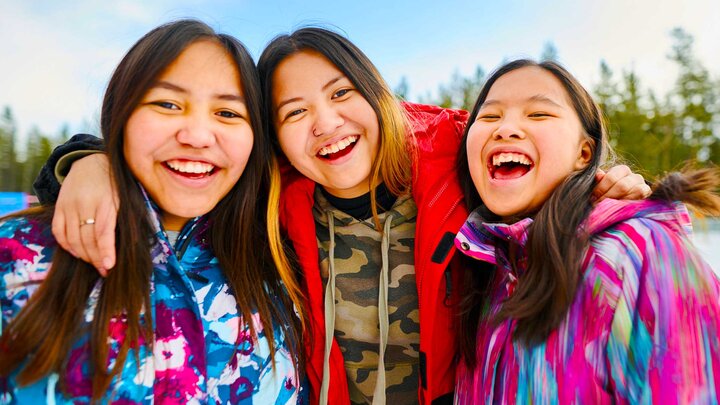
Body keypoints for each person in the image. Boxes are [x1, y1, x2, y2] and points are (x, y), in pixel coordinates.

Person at [34, 28, 650, 405]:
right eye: (293, 112)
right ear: (273, 135)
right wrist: (87, 160)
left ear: (376, 95)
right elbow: (178, 159)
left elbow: (530, 148)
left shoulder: (456, 161)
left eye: (339, 95)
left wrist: (598, 185)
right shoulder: (272, 198)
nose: (325, 125)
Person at [0, 20, 305, 403]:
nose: (196, 136)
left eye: (227, 113)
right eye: (167, 104)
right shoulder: (14, 258)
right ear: (122, 113)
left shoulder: (283, 265)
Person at [453, 59, 720, 403]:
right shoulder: (485, 266)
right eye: (490, 117)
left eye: (538, 114)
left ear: (584, 153)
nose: (506, 128)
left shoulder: (637, 253)